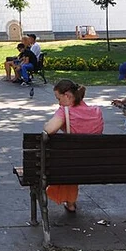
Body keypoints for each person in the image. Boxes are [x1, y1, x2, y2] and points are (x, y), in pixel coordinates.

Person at [43, 79, 104, 214]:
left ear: (68, 96)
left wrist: (48, 123)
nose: (58, 102)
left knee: (65, 161)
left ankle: (70, 202)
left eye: (58, 98)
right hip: (96, 165)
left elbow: (49, 130)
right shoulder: (96, 112)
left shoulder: (65, 111)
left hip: (72, 166)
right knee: (73, 158)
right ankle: (70, 202)